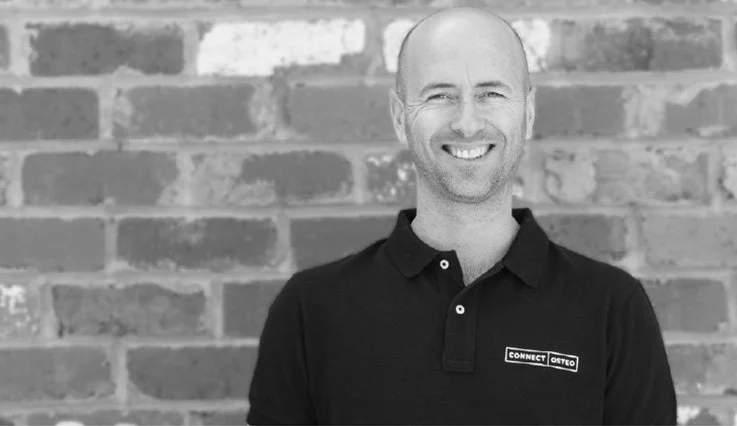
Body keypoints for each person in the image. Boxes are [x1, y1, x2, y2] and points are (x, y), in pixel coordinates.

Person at [246, 6, 677, 425]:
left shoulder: (611, 308)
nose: (467, 123)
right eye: (440, 96)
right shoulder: (309, 309)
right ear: (400, 117)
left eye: (490, 93)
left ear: (527, 112)